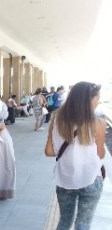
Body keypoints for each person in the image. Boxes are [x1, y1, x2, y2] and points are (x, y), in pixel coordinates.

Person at [45, 82, 105, 230]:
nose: (98, 101)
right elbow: (101, 154)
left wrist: (69, 152)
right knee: (83, 224)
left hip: (65, 178)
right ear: (88, 100)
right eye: (97, 97)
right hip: (91, 178)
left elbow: (49, 151)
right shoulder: (98, 122)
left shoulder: (57, 119)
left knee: (64, 221)